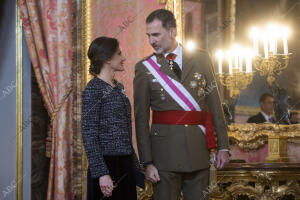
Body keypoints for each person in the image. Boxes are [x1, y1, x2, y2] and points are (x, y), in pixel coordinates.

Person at [133, 9, 230, 200]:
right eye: (148, 36)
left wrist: (223, 147)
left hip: (198, 150)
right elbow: (141, 119)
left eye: (156, 35)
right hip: (164, 156)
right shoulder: (145, 68)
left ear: (172, 31)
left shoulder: (201, 58)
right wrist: (148, 161)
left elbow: (215, 105)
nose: (152, 41)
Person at [82, 37, 139, 200]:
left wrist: (134, 165)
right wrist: (102, 173)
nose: (124, 58)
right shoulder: (93, 89)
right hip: (107, 166)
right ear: (107, 58)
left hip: (125, 163)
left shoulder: (118, 88)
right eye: (119, 54)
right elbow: (88, 134)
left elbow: (124, 131)